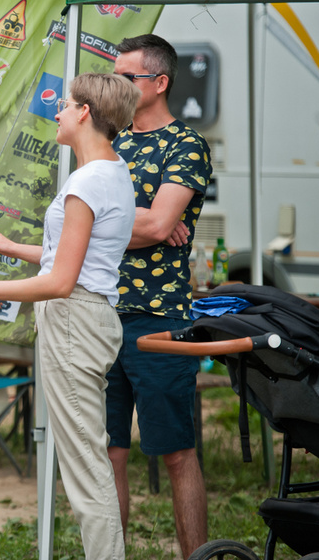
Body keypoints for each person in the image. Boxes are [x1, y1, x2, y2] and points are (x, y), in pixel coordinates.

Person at [0, 72, 141, 560]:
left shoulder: (88, 181)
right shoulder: (113, 171)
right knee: (88, 459)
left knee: (86, 467)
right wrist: (10, 246)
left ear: (85, 112)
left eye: (65, 104)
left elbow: (61, 281)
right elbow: (75, 256)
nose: (58, 111)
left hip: (73, 319)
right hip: (89, 317)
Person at [107, 34, 212, 559]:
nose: (116, 85)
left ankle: (196, 555)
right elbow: (82, 226)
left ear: (160, 83)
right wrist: (142, 223)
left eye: (127, 77)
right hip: (100, 312)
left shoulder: (185, 145)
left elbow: (161, 224)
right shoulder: (110, 142)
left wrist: (143, 223)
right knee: (109, 452)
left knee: (175, 451)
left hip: (158, 318)